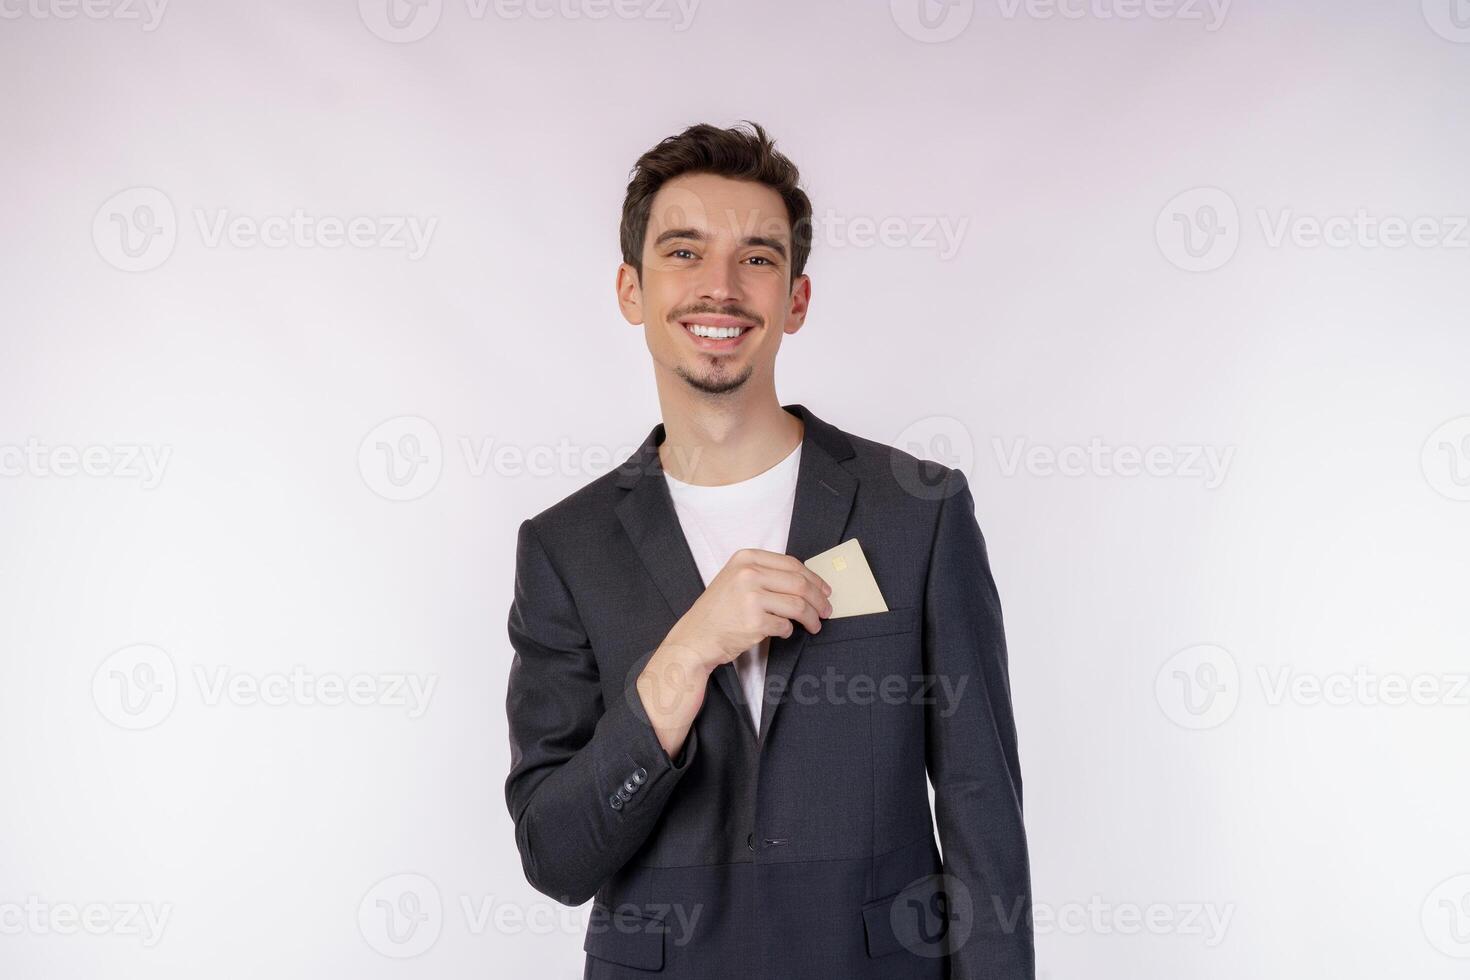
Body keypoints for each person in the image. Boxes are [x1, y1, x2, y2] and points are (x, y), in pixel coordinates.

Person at [504, 120, 1033, 979]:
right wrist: (684, 655)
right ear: (631, 289)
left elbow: (982, 818)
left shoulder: (918, 511)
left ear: (796, 298)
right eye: (683, 252)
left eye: (756, 257)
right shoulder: (565, 548)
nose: (720, 289)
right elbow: (555, 857)